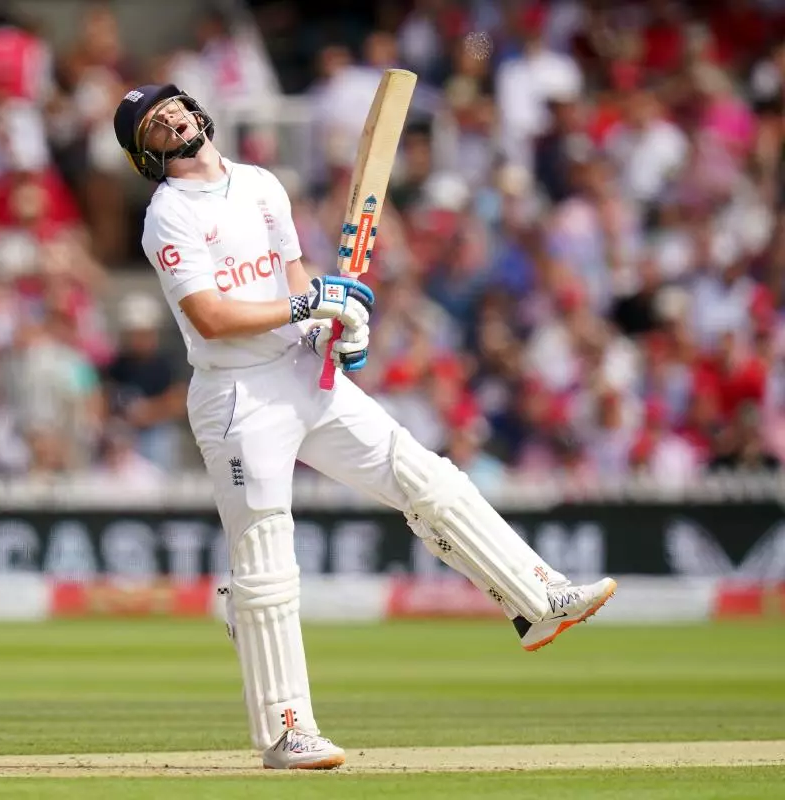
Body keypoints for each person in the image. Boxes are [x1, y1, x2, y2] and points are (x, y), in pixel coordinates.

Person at [112, 84, 617, 771]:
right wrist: (307, 303)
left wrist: (335, 325)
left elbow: (293, 280)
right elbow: (213, 316)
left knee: (424, 476)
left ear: (196, 113)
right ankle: (289, 731)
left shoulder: (261, 185)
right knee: (265, 563)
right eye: (152, 122)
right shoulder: (167, 216)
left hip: (299, 369)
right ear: (147, 152)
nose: (169, 117)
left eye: (173, 106)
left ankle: (537, 597)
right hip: (237, 395)